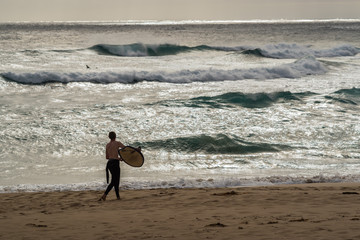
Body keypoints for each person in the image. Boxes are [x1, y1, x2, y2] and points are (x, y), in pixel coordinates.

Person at [99, 131, 125, 201]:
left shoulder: (107, 145)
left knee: (115, 180)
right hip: (115, 163)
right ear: (115, 136)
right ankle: (104, 195)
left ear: (109, 137)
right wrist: (120, 158)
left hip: (109, 164)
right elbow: (125, 149)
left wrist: (116, 157)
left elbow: (107, 157)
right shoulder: (117, 143)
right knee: (115, 180)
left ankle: (118, 197)